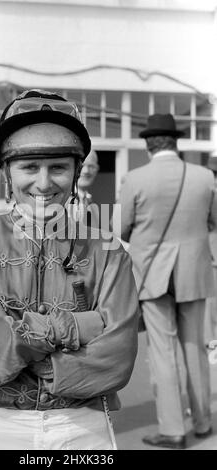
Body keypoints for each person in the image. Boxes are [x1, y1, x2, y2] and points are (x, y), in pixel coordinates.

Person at [0, 89, 139, 450]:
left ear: (76, 173)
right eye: (29, 167)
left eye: (58, 167)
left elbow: (118, 357)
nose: (44, 183)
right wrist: (78, 326)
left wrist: (9, 333)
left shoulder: (107, 250)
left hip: (84, 426)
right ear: (7, 174)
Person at [120, 113, 217, 449]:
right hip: (194, 273)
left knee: (163, 354)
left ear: (148, 145)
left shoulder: (135, 178)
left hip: (153, 276)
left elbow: (121, 229)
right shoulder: (204, 176)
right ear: (176, 142)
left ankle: (174, 429)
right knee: (196, 350)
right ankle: (203, 422)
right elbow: (214, 221)